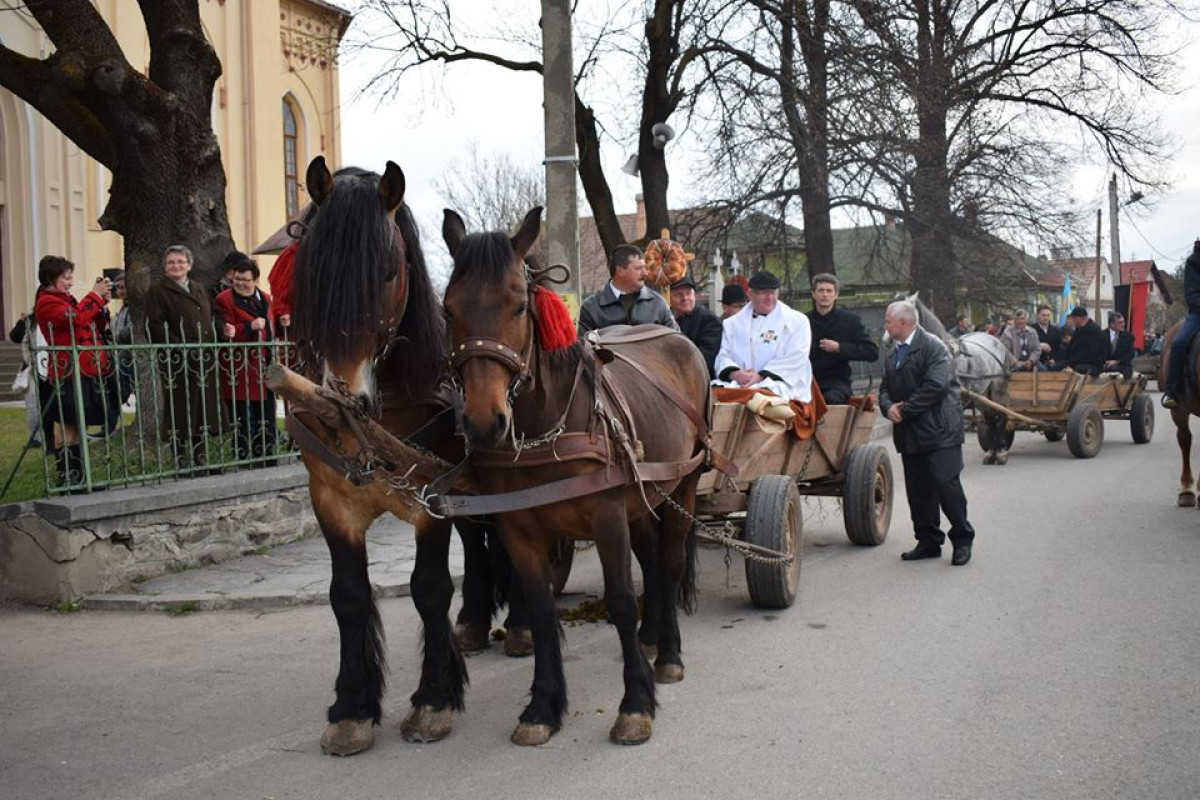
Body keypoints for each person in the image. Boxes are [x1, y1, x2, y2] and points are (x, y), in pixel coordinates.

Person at [878, 300, 975, 566]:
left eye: (888, 320)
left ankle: (962, 540)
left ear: (904, 323)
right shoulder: (893, 352)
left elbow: (936, 386)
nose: (884, 325)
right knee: (919, 491)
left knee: (946, 486)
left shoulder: (933, 347)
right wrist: (888, 409)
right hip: (911, 433)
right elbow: (884, 388)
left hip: (939, 430)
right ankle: (929, 540)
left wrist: (905, 410)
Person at [33, 256, 114, 487]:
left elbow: (88, 323)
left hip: (84, 369)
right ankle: (68, 477)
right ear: (51, 278)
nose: (70, 283)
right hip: (67, 371)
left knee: (79, 423)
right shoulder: (47, 302)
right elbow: (76, 319)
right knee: (68, 423)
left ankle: (80, 476)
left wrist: (101, 304)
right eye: (66, 278)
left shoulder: (65, 299)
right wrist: (94, 296)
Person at [144, 244, 221, 471]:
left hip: (204, 358)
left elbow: (213, 313)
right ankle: (180, 458)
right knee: (180, 408)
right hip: (177, 361)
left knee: (202, 407)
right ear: (165, 267)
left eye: (180, 262)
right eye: (171, 262)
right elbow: (154, 326)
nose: (176, 266)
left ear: (189, 265)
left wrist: (220, 330)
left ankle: (200, 456)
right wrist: (181, 347)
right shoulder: (158, 292)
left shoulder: (198, 288)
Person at [714, 270, 813, 402]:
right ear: (750, 294)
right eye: (764, 293)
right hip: (739, 383)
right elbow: (724, 354)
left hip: (779, 383)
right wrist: (734, 373)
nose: (770, 298)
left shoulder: (797, 321)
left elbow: (797, 357)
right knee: (710, 397)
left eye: (773, 292)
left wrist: (761, 376)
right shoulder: (732, 323)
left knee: (760, 399)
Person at [213, 260, 277, 463]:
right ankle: (242, 455)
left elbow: (271, 327)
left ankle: (266, 454)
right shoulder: (224, 299)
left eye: (245, 280)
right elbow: (226, 331)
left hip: (263, 365)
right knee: (242, 415)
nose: (240, 283)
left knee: (266, 413)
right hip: (239, 368)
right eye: (237, 279)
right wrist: (250, 326)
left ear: (255, 280)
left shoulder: (265, 298)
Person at [805, 272, 878, 404]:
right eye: (820, 290)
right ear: (813, 294)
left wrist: (839, 348)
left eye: (829, 291)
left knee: (830, 400)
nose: (825, 294)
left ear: (836, 294)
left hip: (836, 383)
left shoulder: (849, 321)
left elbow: (871, 352)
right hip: (807, 382)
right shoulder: (802, 321)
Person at [577, 244, 678, 336]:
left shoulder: (657, 304)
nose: (645, 273)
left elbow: (676, 340)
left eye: (645, 268)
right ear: (620, 271)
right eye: (638, 268)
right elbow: (583, 349)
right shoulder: (592, 307)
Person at [1163, 240, 1200, 408]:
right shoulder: (1194, 261)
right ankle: (1173, 391)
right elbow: (1192, 294)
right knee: (1178, 343)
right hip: (1198, 313)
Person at [669, 272, 723, 377]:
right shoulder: (665, 318)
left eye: (688, 293)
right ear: (669, 298)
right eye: (678, 295)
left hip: (697, 377)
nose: (685, 298)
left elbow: (706, 356)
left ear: (694, 295)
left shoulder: (708, 319)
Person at [1063, 306, 1106, 376]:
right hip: (1078, 362)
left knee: (1075, 369)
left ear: (1078, 318)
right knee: (1058, 366)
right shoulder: (1079, 329)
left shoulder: (1094, 330)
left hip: (1093, 365)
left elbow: (1089, 352)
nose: (1072, 322)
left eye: (1073, 319)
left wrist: (1070, 363)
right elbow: (1071, 347)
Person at [1103, 311, 1135, 378]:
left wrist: (1116, 361)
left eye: (1123, 322)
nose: (1123, 324)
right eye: (1120, 322)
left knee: (1127, 373)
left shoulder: (1128, 336)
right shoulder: (1101, 335)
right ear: (1112, 324)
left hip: (1121, 364)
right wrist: (1105, 362)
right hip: (1104, 364)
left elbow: (1130, 353)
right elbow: (1097, 351)